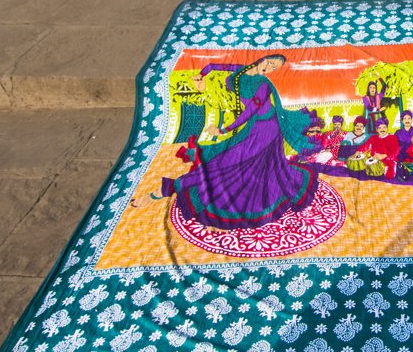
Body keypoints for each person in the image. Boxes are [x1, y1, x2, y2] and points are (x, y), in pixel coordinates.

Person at [133, 54, 321, 230]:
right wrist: (201, 77)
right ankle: (169, 189)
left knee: (227, 162)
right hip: (253, 127)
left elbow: (249, 112)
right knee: (233, 162)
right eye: (270, 63)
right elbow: (212, 66)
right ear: (263, 58)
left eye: (275, 68)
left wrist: (223, 130)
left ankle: (164, 190)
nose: (270, 68)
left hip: (267, 129)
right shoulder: (241, 70)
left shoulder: (263, 84)